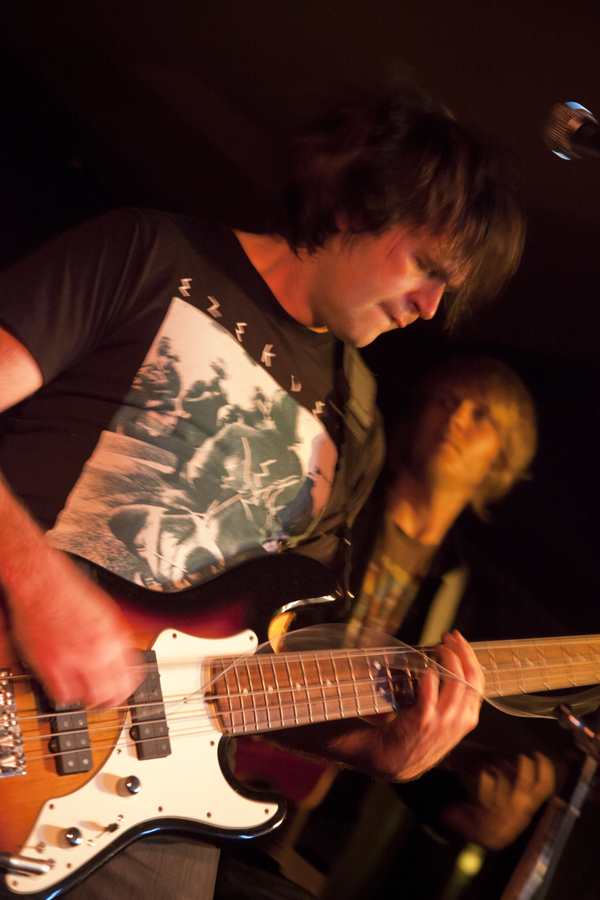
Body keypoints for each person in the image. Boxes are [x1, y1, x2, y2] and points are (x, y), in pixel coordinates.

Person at [0, 83, 523, 899]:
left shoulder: (357, 428)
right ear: (356, 202)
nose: (429, 308)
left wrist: (375, 750)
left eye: (447, 291)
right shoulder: (149, 252)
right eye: (426, 267)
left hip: (143, 821)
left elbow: (258, 672)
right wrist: (39, 587)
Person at [317, 354, 557, 899]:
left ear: (501, 459)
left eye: (481, 417)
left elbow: (414, 732)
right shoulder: (339, 502)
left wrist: (465, 816)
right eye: (446, 401)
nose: (455, 420)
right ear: (418, 413)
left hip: (307, 828)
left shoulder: (464, 596)